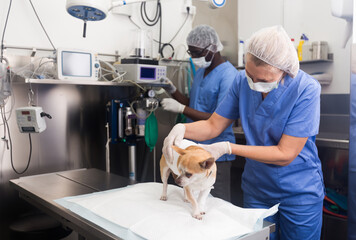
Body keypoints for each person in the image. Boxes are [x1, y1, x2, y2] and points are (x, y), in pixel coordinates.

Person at [163, 25, 324, 240]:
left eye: (264, 80)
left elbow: (285, 153)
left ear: (285, 70)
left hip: (298, 192)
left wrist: (228, 147)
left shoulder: (306, 90)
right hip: (257, 189)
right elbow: (213, 125)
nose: (254, 84)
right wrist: (182, 129)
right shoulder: (241, 81)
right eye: (250, 75)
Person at [160, 25, 238, 202]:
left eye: (196, 52)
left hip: (214, 155)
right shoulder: (202, 72)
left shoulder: (229, 76)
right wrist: (172, 90)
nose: (193, 57)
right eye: (191, 52)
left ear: (212, 48)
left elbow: (216, 120)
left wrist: (181, 109)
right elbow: (193, 104)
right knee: (192, 202)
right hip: (192, 151)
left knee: (217, 202)